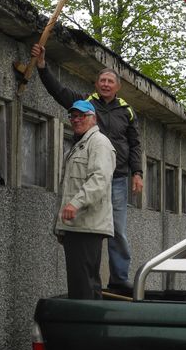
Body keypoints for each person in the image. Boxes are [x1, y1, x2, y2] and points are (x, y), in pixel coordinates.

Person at [32, 43, 143, 292]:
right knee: (87, 229)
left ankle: (119, 278)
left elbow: (135, 144)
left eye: (110, 81)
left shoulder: (126, 110)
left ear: (117, 86)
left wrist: (137, 173)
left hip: (117, 178)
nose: (106, 84)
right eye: (102, 80)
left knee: (117, 230)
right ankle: (90, 280)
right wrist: (42, 66)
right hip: (88, 177)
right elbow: (58, 91)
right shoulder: (85, 103)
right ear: (96, 84)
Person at [55, 100, 116, 300]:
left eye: (82, 115)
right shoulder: (79, 145)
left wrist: (76, 203)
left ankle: (87, 320)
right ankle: (89, 318)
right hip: (76, 226)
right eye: (73, 116)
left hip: (87, 226)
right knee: (81, 284)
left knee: (84, 286)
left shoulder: (99, 143)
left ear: (93, 118)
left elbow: (100, 179)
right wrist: (61, 226)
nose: (76, 120)